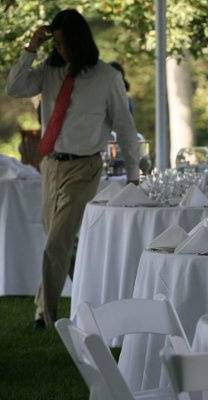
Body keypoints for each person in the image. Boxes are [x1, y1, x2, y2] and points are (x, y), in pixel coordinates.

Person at [6, 9, 140, 329]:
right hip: (50, 165)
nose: (62, 50)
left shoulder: (107, 77)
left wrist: (134, 173)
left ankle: (48, 316)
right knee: (60, 240)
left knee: (57, 241)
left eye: (66, 43)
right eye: (58, 43)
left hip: (85, 167)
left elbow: (124, 125)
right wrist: (31, 47)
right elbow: (14, 87)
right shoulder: (49, 71)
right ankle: (89, 295)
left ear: (80, 40)